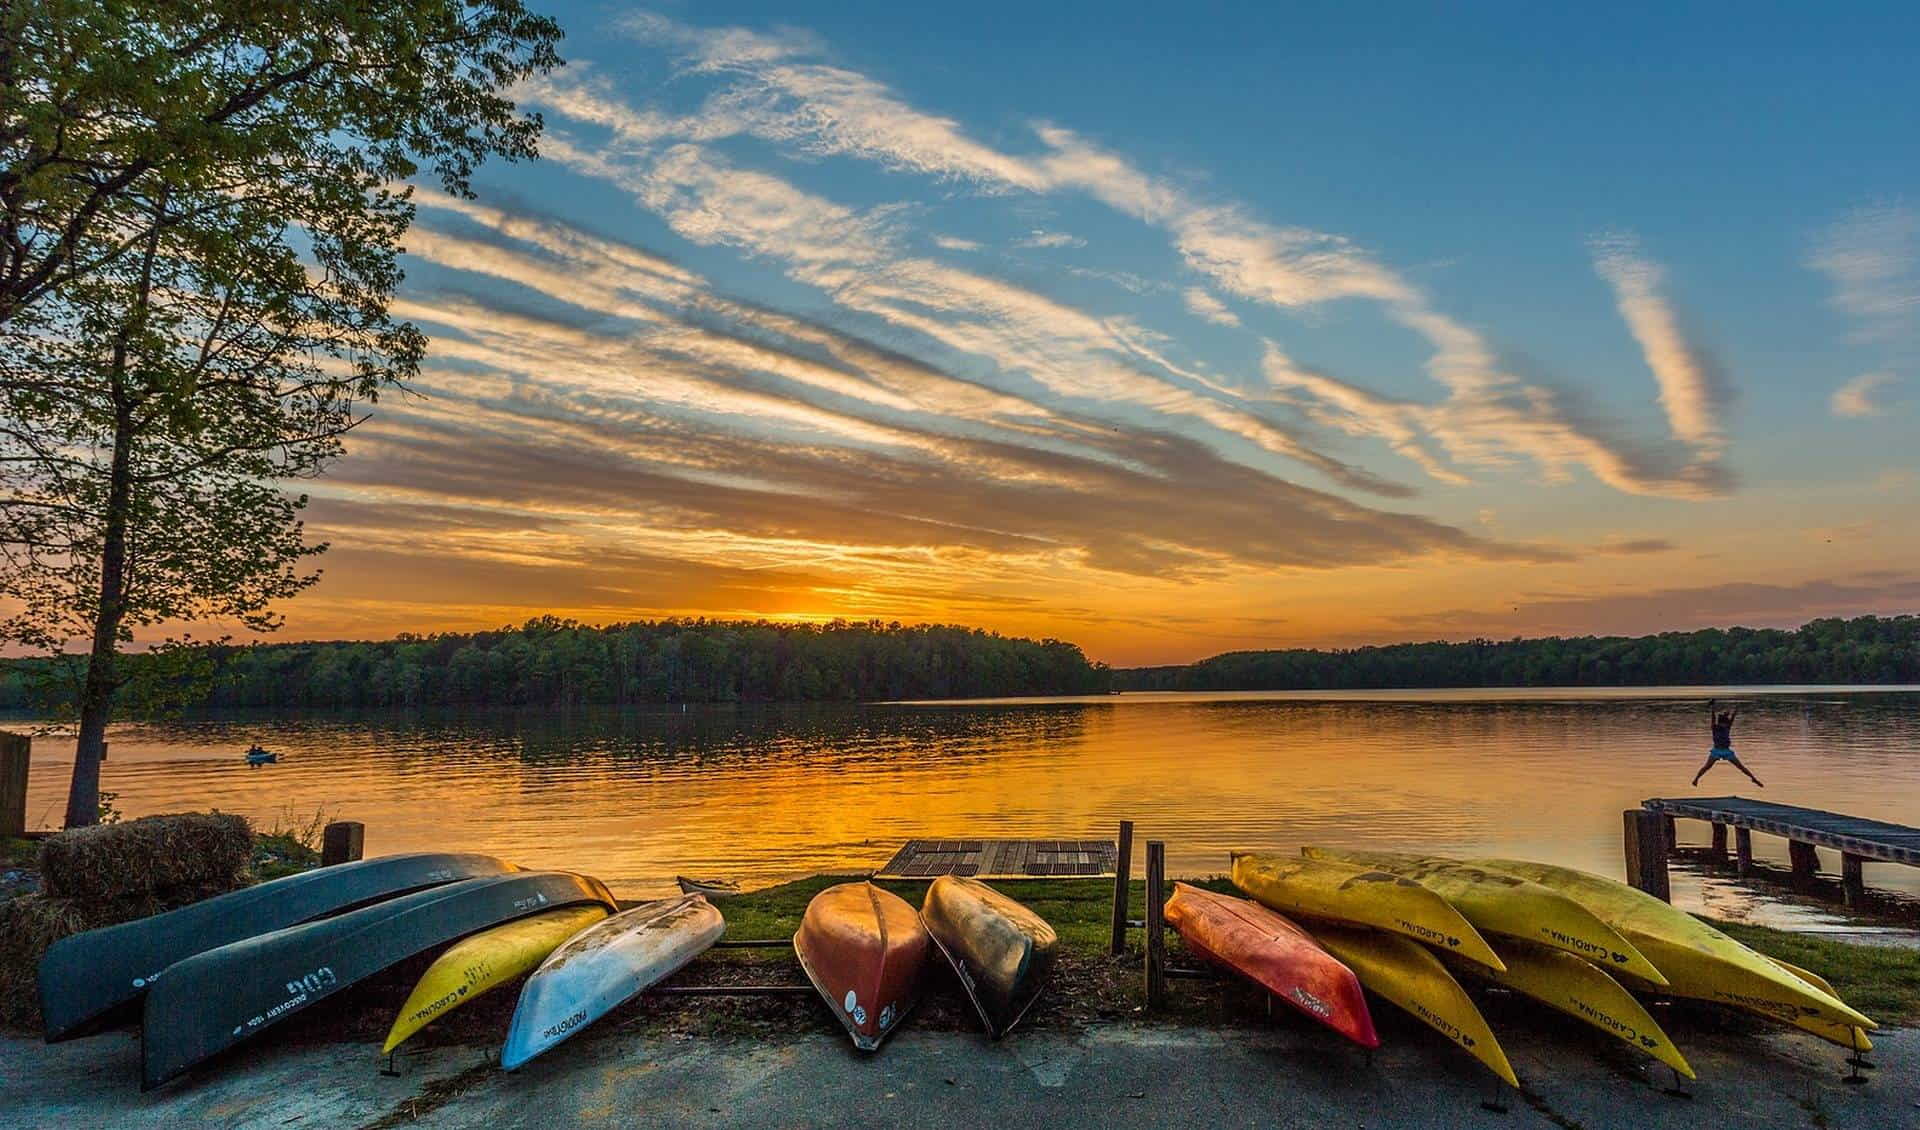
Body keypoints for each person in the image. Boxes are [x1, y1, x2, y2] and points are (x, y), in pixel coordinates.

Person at [1692, 699, 1763, 788]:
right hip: (1716, 751)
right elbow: (1713, 718)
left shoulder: (1727, 727)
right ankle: (1696, 779)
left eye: (1726, 724)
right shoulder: (1715, 727)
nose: (1725, 725)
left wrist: (1735, 711)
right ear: (1721, 723)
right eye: (1724, 724)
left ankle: (1753, 778)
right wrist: (1713, 708)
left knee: (1741, 767)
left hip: (1727, 751)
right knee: (1706, 767)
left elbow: (1732, 719)